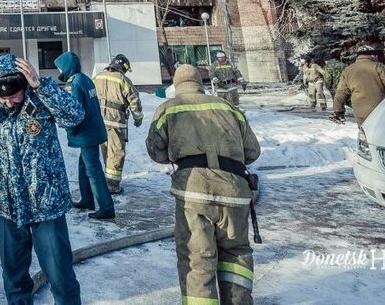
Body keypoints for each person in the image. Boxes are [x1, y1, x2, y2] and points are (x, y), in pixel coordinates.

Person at [0, 54, 84, 305]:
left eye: (14, 95)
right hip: (5, 203)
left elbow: (74, 116)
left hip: (45, 202)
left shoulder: (42, 95)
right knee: (13, 276)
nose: (9, 102)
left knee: (60, 274)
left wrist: (40, 86)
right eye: (3, 97)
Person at [146, 64, 261, 305]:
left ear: (176, 85)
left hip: (193, 194)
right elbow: (252, 151)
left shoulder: (168, 109)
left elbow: (155, 151)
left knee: (196, 259)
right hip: (235, 192)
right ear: (200, 82)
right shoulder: (229, 107)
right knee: (236, 253)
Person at [55, 51, 114, 220]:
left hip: (86, 133)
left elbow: (75, 110)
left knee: (93, 170)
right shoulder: (85, 79)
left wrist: (71, 130)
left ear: (66, 67)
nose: (59, 70)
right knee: (84, 166)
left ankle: (106, 207)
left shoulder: (74, 83)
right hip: (93, 130)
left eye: (60, 67)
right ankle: (87, 199)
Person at [93, 53, 144, 194]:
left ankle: (107, 180)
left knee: (106, 151)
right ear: (123, 67)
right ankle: (113, 185)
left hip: (99, 122)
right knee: (116, 152)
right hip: (116, 122)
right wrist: (138, 118)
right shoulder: (122, 79)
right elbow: (134, 100)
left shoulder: (98, 77)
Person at [332, 44, 385, 125]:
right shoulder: (379, 66)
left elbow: (341, 93)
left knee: (365, 134)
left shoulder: (348, 70)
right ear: (372, 55)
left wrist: (338, 110)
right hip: (380, 109)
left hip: (360, 111)